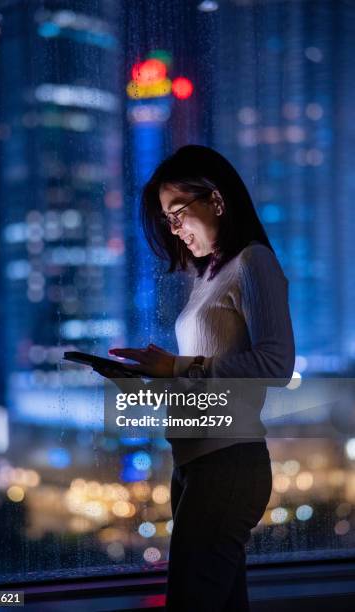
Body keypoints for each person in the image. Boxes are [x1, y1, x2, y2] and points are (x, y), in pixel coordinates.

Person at [98, 145, 295, 611]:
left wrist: (178, 367)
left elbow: (277, 364)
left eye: (178, 213)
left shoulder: (254, 262)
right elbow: (205, 379)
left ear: (217, 200)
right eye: (169, 220)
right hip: (194, 463)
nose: (175, 229)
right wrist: (145, 380)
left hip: (228, 464)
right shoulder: (209, 276)